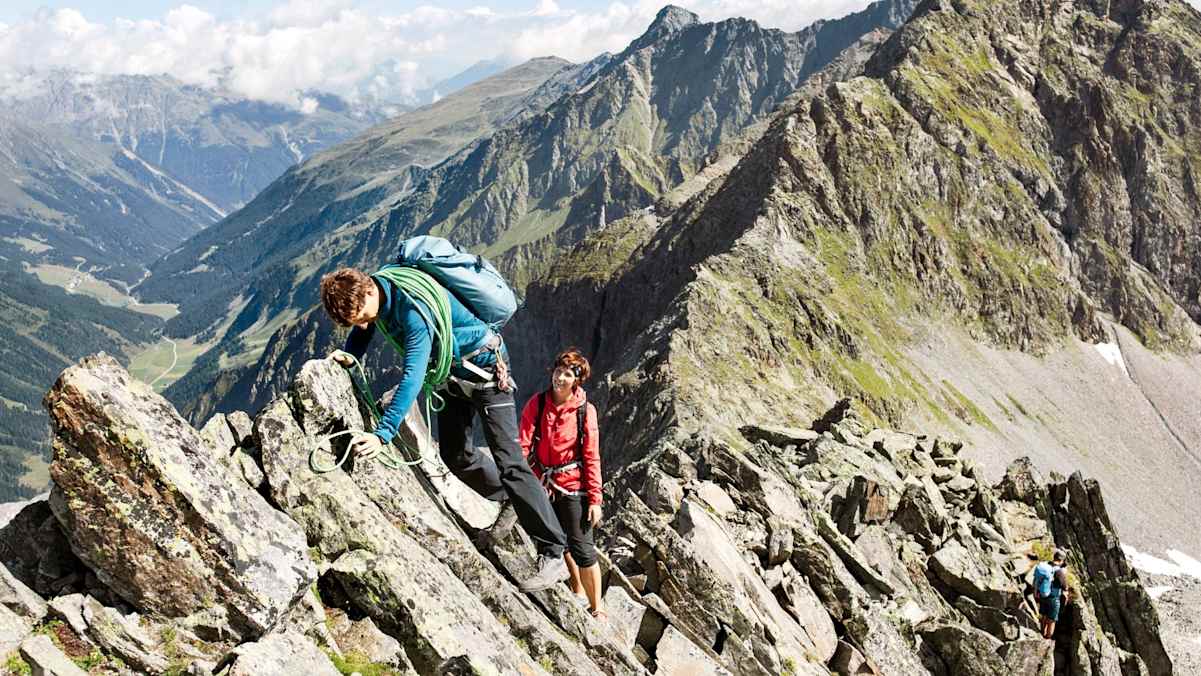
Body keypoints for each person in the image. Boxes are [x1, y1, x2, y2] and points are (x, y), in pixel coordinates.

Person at [319, 267, 570, 592]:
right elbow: (365, 328)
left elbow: (412, 375)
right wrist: (350, 353)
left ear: (367, 291)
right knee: (456, 455)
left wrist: (383, 434)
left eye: (362, 315)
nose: (363, 322)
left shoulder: (412, 311)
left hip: (486, 373)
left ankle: (554, 552)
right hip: (453, 377)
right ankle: (513, 497)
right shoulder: (377, 291)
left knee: (511, 464)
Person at [518, 348, 605, 617]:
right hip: (545, 483)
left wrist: (595, 499)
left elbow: (591, 456)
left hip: (574, 487)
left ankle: (598, 609)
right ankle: (577, 591)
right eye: (558, 371)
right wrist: (518, 477)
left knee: (583, 549)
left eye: (567, 374)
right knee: (559, 541)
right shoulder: (538, 403)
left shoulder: (585, 411)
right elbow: (523, 444)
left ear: (576, 380)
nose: (560, 378)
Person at [1036, 548, 1069, 638]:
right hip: (1054, 598)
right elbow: (1065, 586)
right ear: (1061, 560)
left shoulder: (1046, 566)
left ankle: (1042, 633)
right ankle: (1047, 638)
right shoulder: (1059, 571)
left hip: (1043, 594)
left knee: (1044, 615)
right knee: (1052, 620)